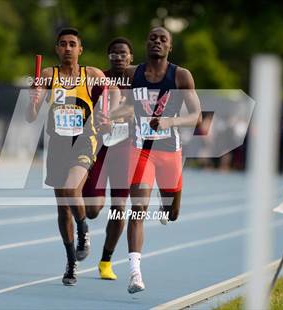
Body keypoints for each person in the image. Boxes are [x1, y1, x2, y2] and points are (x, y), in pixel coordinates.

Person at [107, 27, 202, 293]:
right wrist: (113, 115)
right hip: (141, 150)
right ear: (146, 43)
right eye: (152, 38)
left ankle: (168, 202)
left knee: (171, 214)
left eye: (163, 40)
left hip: (170, 150)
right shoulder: (132, 74)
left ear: (170, 47)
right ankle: (135, 273)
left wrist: (171, 120)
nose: (157, 42)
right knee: (138, 209)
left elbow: (196, 116)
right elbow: (127, 106)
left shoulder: (180, 75)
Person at [27, 28, 119, 286]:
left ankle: (84, 231)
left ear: (80, 49)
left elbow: (112, 94)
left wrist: (107, 115)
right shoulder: (48, 75)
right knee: (62, 209)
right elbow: (30, 117)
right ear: (57, 49)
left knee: (71, 189)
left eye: (72, 44)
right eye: (62, 44)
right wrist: (33, 100)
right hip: (57, 144)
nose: (67, 48)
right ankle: (70, 263)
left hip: (84, 142)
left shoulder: (92, 75)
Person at [82, 37, 134, 280]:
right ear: (108, 56)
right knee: (92, 210)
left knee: (119, 209)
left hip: (126, 149)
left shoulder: (139, 81)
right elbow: (83, 108)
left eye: (123, 53)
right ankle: (83, 229)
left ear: (131, 57)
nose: (119, 56)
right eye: (114, 52)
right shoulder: (98, 80)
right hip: (99, 148)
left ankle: (106, 261)